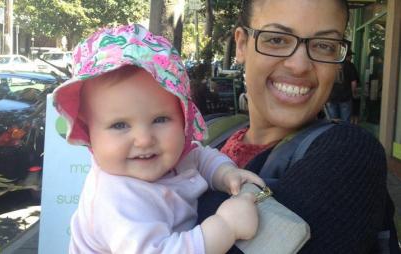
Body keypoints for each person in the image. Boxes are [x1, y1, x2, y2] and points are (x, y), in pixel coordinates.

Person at [197, 0, 400, 253]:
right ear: (241, 45)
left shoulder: (350, 153)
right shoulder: (214, 133)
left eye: (324, 45)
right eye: (277, 40)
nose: (299, 65)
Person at [52, 24, 266, 254]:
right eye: (120, 125)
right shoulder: (114, 200)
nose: (144, 140)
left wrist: (225, 174)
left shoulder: (174, 154)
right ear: (89, 131)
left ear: (183, 118)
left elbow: (199, 156)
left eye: (161, 119)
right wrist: (226, 226)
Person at [325, 49, 359, 122]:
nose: (351, 58)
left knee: (333, 122)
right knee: (345, 122)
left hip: (331, 97)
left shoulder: (330, 64)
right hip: (345, 97)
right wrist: (353, 94)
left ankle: (334, 133)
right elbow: (354, 82)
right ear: (346, 56)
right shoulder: (350, 65)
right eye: (350, 56)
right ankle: (343, 133)